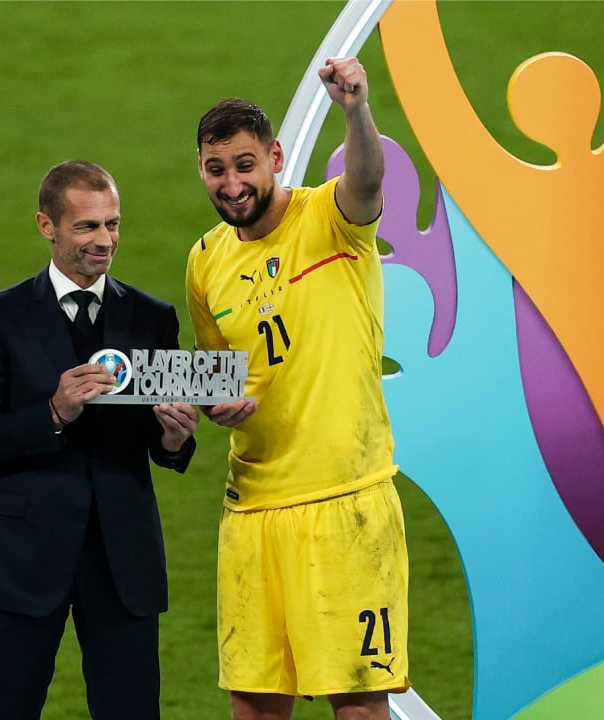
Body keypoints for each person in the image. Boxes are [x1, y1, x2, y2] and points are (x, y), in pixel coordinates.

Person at [185, 56, 407, 720]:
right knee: (253, 707)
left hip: (347, 500)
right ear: (201, 169)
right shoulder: (204, 261)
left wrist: (356, 108)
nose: (232, 184)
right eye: (216, 169)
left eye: (245, 165)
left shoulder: (332, 219)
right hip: (252, 512)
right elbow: (217, 371)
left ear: (276, 157)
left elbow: (368, 179)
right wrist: (209, 402)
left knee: (360, 707)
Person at [0, 159, 200, 720]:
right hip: (21, 559)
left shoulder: (151, 318)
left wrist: (173, 438)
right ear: (47, 226)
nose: (105, 240)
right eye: (87, 227)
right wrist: (53, 413)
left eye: (112, 224)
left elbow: (165, 444)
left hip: (122, 562)